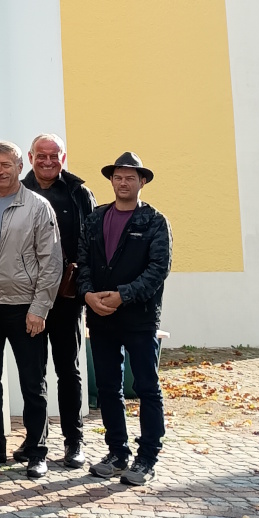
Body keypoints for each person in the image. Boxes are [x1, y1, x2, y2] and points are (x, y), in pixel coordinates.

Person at [0, 140, 62, 478]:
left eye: (6, 164)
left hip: (24, 307)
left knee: (32, 382)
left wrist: (40, 307)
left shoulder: (38, 207)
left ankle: (36, 450)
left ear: (21, 167)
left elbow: (51, 262)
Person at [80, 152, 172, 487]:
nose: (123, 183)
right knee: (108, 387)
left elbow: (158, 269)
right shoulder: (95, 218)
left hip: (139, 318)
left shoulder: (154, 221)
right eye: (118, 177)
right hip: (101, 316)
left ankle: (147, 457)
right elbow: (82, 261)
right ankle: (117, 452)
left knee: (146, 387)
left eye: (130, 178)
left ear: (142, 182)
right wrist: (88, 295)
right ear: (111, 180)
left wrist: (124, 295)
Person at [22, 132, 95, 467]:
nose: (48, 161)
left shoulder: (78, 193)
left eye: (55, 156)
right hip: (28, 297)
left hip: (66, 297)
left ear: (63, 158)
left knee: (68, 370)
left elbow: (92, 244)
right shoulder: (19, 190)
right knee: (32, 373)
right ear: (31, 157)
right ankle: (35, 440)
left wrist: (85, 287)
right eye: (41, 155)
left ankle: (74, 441)